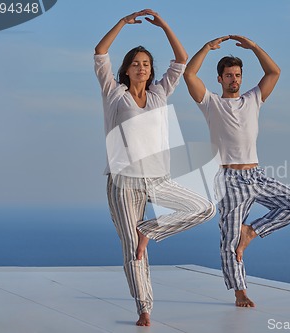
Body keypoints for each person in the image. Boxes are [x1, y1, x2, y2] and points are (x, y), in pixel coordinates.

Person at [94, 9, 215, 326]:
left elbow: (182, 58)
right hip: (123, 183)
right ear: (127, 69)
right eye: (135, 64)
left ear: (151, 70)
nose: (141, 68)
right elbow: (100, 52)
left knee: (204, 208)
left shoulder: (160, 93)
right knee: (133, 251)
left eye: (146, 64)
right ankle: (144, 308)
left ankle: (149, 231)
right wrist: (122, 23)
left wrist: (164, 26)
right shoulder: (114, 95)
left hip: (158, 179)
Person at [184, 35, 290, 308]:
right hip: (230, 179)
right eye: (229, 75)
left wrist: (253, 48)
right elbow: (189, 74)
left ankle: (251, 232)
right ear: (220, 79)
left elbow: (274, 72)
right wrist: (206, 48)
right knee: (229, 240)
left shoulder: (253, 99)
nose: (234, 80)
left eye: (238, 75)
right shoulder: (211, 103)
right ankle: (240, 292)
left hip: (256, 175)